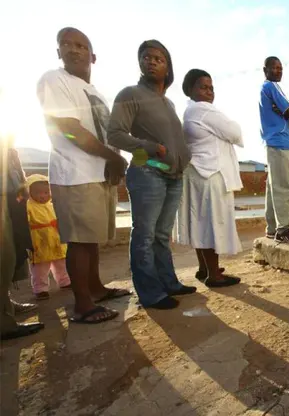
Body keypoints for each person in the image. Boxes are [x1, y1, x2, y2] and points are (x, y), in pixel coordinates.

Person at [36, 27, 131, 324]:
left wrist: (118, 159)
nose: (73, 49)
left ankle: (96, 289)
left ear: (93, 55)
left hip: (98, 172)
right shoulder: (54, 79)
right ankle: (82, 305)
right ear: (58, 52)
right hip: (75, 172)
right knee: (79, 240)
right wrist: (112, 156)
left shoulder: (93, 91)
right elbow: (69, 128)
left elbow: (106, 131)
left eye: (80, 45)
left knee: (90, 239)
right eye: (66, 44)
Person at [108, 40, 195, 310]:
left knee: (161, 235)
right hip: (147, 172)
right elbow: (115, 134)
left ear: (168, 66)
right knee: (144, 235)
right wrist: (151, 148)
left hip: (173, 175)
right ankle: (150, 293)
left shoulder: (167, 102)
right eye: (146, 57)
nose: (152, 61)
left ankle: (168, 283)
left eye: (159, 58)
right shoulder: (130, 93)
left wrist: (184, 156)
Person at [177, 69, 243, 288]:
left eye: (211, 88)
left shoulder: (190, 111)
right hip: (210, 174)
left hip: (199, 172)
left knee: (200, 222)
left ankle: (204, 268)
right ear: (190, 90)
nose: (209, 92)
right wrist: (229, 128)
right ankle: (214, 275)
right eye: (203, 87)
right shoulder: (203, 110)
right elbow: (234, 132)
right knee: (211, 224)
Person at [1, 137, 45, 340]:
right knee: (3, 257)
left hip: (9, 193)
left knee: (11, 254)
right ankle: (4, 322)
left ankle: (6, 305)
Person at [259, 57, 289, 244]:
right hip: (280, 142)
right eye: (274, 68)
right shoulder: (271, 86)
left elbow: (285, 110)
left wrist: (282, 110)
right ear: (266, 70)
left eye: (280, 68)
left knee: (273, 188)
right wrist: (285, 110)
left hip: (272, 142)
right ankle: (283, 229)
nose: (278, 71)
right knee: (284, 187)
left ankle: (272, 228)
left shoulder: (265, 88)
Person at [24, 174, 71, 300]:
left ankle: (64, 281)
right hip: (39, 242)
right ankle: (40, 289)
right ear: (29, 192)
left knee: (61, 263)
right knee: (40, 268)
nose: (43, 196)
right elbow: (25, 222)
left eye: (46, 192)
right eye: (38, 193)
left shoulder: (52, 204)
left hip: (56, 240)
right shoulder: (28, 206)